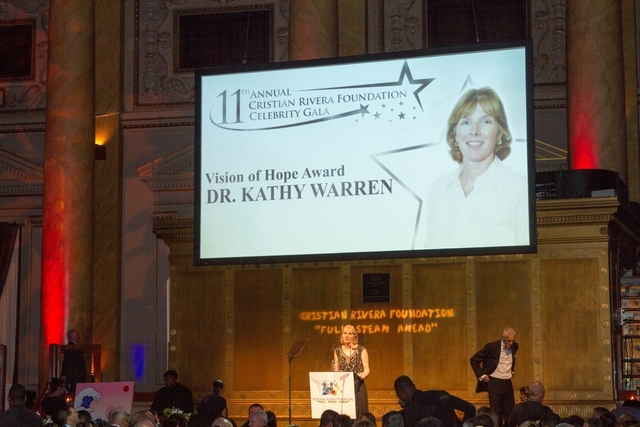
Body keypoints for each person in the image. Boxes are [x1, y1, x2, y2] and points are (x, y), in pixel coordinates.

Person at [425, 86, 528, 249]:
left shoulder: (519, 187)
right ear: (455, 134)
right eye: (466, 122)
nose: (474, 131)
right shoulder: (438, 189)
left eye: (485, 121)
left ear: (500, 133)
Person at [470, 327, 519, 427]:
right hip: (494, 381)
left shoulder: (515, 346)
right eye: (508, 341)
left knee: (510, 411)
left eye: (513, 341)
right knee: (496, 412)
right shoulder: (492, 347)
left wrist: (512, 371)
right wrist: (482, 375)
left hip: (507, 381)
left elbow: (512, 359)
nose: (511, 343)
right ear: (503, 338)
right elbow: (474, 360)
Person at [393, 375, 475, 427]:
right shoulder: (441, 394)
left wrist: (407, 408)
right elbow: (470, 408)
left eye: (398, 395)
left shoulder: (410, 411)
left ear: (403, 393)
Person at [333, 324, 370, 418]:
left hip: (358, 386)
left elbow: (367, 369)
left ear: (354, 336)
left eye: (350, 333)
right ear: (342, 335)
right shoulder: (337, 350)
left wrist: (362, 375)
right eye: (345, 333)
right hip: (343, 387)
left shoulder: (361, 350)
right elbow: (336, 369)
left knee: (358, 414)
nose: (347, 336)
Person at [61, 329, 88, 394]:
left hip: (75, 378)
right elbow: (70, 364)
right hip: (74, 379)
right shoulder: (72, 348)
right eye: (77, 335)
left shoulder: (73, 347)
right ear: (73, 337)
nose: (79, 337)